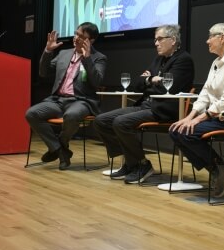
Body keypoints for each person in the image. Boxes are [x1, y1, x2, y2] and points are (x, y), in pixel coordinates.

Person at [93, 24, 194, 183]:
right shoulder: (158, 59)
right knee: (101, 120)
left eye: (159, 39)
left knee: (121, 122)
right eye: (155, 40)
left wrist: (149, 82)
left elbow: (169, 89)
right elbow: (137, 84)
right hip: (146, 105)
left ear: (173, 40)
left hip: (163, 110)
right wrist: (150, 80)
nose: (156, 43)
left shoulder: (183, 60)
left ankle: (142, 164)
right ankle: (131, 162)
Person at [169, 22, 224, 197]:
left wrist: (198, 119)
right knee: (177, 129)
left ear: (222, 38)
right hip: (217, 117)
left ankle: (216, 167)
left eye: (210, 37)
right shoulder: (216, 62)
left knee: (187, 132)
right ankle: (216, 167)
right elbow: (205, 93)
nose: (207, 41)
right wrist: (189, 117)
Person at [25, 22, 107, 170]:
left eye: (81, 36)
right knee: (32, 114)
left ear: (91, 40)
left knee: (71, 115)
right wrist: (48, 52)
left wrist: (87, 58)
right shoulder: (64, 54)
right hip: (57, 100)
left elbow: (97, 81)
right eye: (76, 33)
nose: (76, 38)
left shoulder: (99, 58)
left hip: (81, 101)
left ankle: (58, 146)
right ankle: (61, 151)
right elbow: (43, 73)